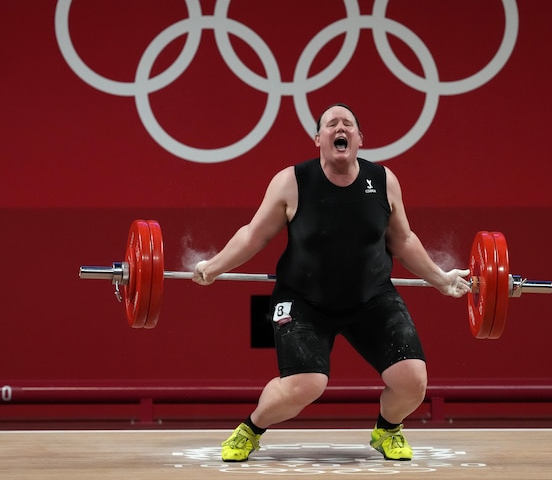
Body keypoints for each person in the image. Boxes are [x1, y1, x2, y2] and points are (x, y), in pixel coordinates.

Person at [192, 103, 470, 462]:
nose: (341, 128)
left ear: (359, 139)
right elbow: (252, 236)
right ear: (319, 139)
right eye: (332, 124)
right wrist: (214, 266)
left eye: (348, 124)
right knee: (308, 384)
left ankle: (387, 430)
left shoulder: (384, 181)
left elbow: (402, 241)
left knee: (412, 380)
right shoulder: (291, 181)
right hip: (302, 300)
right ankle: (251, 428)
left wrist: (441, 280)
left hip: (371, 298)